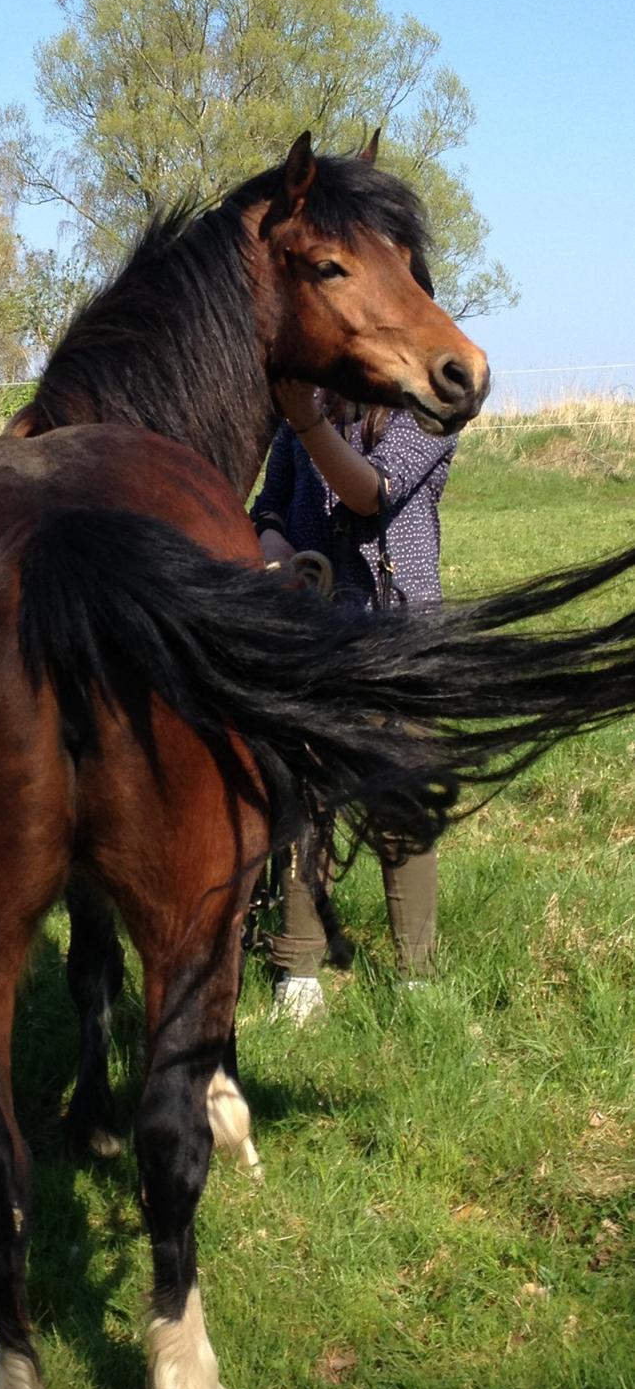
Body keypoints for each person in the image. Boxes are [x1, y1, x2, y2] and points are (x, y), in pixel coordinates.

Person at [250, 380, 458, 1023]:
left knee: (401, 802)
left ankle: (416, 971)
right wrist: (273, 541)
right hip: (313, 631)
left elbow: (372, 493)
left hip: (398, 633)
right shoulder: (306, 407)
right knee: (308, 799)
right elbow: (270, 503)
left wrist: (307, 420)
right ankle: (298, 963)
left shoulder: (430, 409)